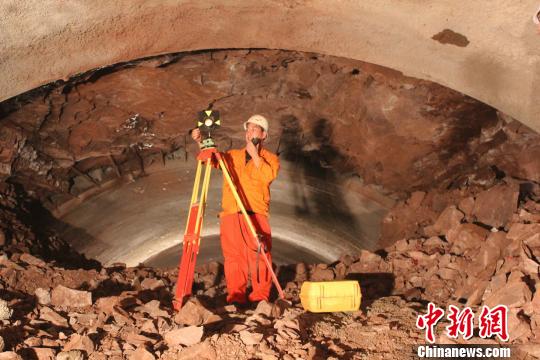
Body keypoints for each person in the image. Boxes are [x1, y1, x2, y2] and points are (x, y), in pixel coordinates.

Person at [191, 114, 280, 304]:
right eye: (249, 129)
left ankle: (260, 297)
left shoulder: (271, 159)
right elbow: (210, 160)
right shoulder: (232, 156)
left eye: (256, 129)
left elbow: (267, 176)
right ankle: (236, 296)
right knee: (233, 257)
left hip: (255, 213)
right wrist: (200, 142)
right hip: (231, 214)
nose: (251, 132)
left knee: (260, 255)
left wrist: (254, 153)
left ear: (264, 135)